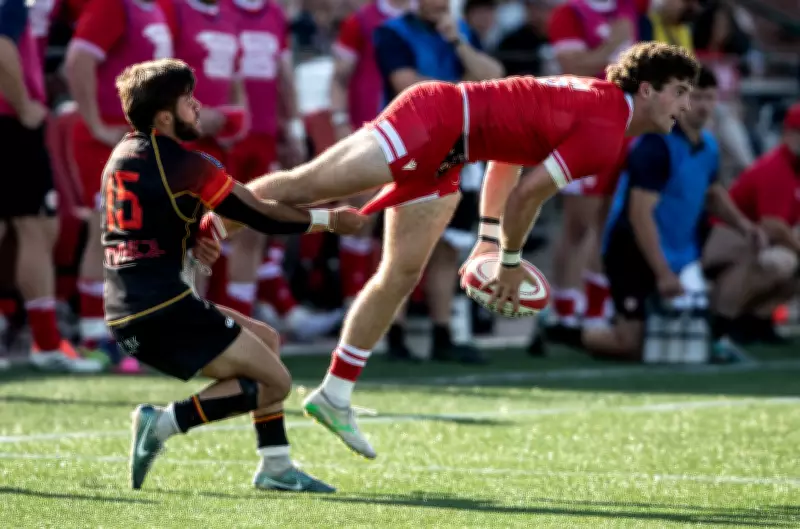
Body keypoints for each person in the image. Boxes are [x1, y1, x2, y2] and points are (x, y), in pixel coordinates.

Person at [214, 41, 700, 459]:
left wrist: (489, 236)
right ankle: (201, 226)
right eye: (680, 91)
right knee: (307, 185)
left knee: (402, 272)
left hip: (453, 147)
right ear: (647, 89)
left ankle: (335, 394)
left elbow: (511, 154)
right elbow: (530, 194)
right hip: (438, 118)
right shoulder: (605, 132)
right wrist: (508, 263)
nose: (687, 105)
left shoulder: (600, 107)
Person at [105, 58, 364, 491]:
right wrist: (330, 221)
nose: (198, 106)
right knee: (276, 381)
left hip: (134, 311)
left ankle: (276, 466)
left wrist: (192, 239)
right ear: (164, 115)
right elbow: (261, 214)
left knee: (268, 339)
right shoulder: (187, 164)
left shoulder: (122, 154)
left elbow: (147, 227)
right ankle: (162, 424)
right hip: (162, 311)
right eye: (188, 99)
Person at [579, 66, 761, 359]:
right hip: (634, 252)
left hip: (683, 251)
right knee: (633, 346)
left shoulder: (709, 145)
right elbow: (639, 215)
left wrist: (744, 226)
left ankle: (718, 331)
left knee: (751, 252)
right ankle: (577, 332)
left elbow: (712, 192)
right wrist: (663, 272)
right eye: (696, 97)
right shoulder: (656, 146)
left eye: (710, 98)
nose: (703, 106)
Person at [372, 0, 504, 363]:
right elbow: (408, 86)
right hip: (411, 147)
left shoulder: (458, 31)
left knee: (448, 246)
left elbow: (494, 75)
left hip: (456, 147)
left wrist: (459, 44)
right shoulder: (392, 33)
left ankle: (442, 332)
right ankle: (392, 333)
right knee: (401, 247)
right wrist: (465, 91)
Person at [64, 0, 174, 368]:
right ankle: (96, 336)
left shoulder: (154, 8)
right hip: (109, 137)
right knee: (107, 232)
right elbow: (78, 60)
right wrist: (95, 124)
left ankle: (129, 333)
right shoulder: (113, 5)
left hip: (143, 139)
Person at [0, 0, 102, 372]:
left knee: (29, 226)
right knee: (38, 227)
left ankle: (44, 341)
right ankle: (45, 344)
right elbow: (2, 47)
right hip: (9, 118)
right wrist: (24, 103)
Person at [702, 102, 800, 345]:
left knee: (786, 264)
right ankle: (724, 318)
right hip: (724, 239)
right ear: (788, 134)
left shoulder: (794, 167)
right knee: (780, 263)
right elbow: (772, 225)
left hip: (752, 239)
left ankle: (758, 321)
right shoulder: (777, 167)